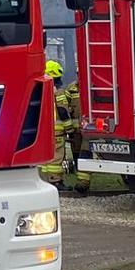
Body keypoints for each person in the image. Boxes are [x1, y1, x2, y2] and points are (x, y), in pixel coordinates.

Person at [39, 60, 91, 192]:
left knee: (47, 158)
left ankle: (45, 181)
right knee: (56, 157)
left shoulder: (39, 89)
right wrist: (69, 128)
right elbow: (63, 110)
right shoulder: (60, 91)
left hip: (44, 130)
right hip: (57, 131)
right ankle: (56, 182)